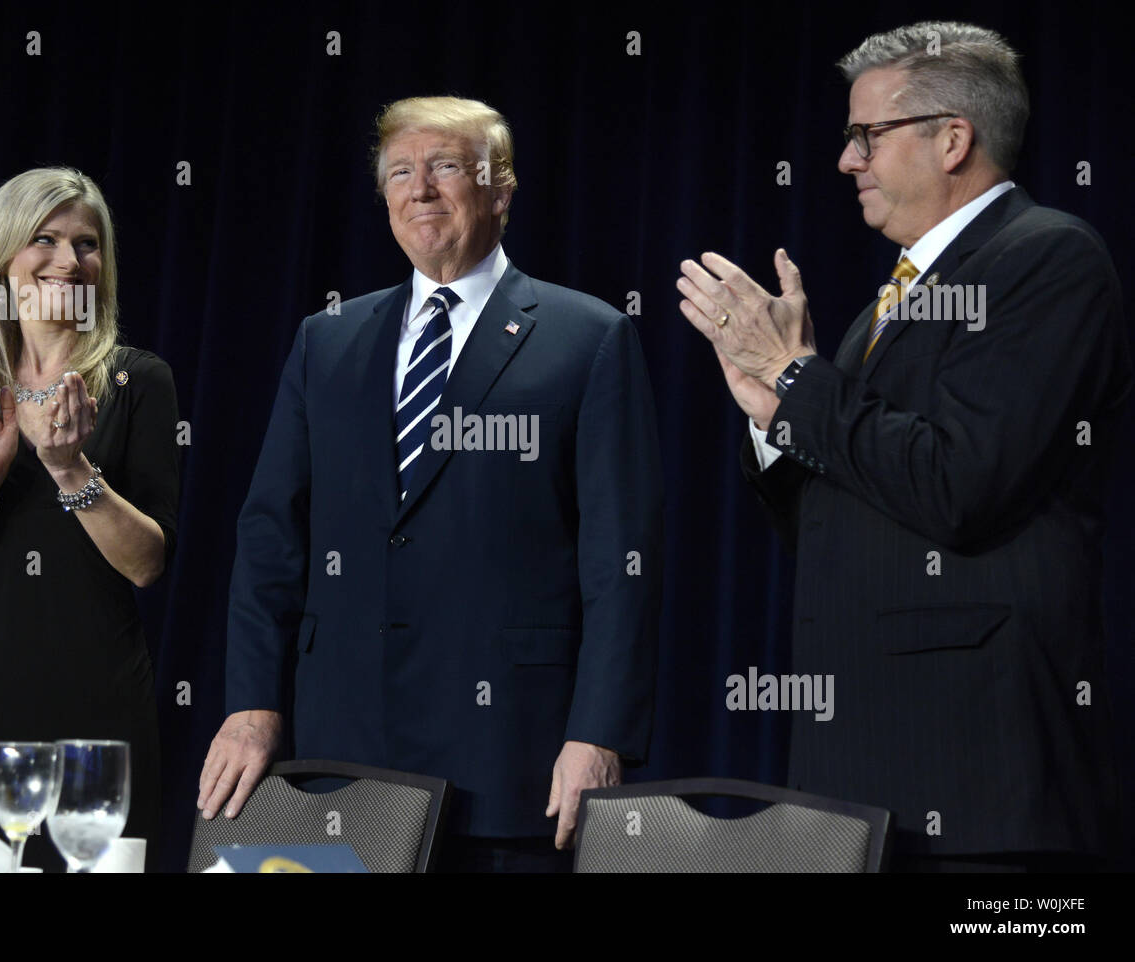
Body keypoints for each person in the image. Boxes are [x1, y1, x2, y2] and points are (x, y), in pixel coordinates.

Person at [677, 21, 1130, 871]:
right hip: (858, 785)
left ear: (953, 138)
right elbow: (843, 521)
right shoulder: (882, 309)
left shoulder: (1047, 259)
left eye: (866, 136)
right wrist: (770, 410)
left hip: (976, 782)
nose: (848, 161)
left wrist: (796, 379)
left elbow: (959, 484)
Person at [199, 96, 663, 872]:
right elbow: (270, 536)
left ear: (501, 191)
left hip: (511, 758)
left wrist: (600, 734)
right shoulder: (328, 339)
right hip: (340, 750)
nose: (420, 189)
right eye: (401, 173)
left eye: (446, 167)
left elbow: (622, 563)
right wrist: (252, 707)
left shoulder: (590, 338)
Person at [0, 167, 180, 872]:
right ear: (4, 258)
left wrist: (70, 471)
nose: (69, 261)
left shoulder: (136, 382)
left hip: (95, 727)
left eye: (87, 245)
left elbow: (148, 563)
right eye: (45, 240)